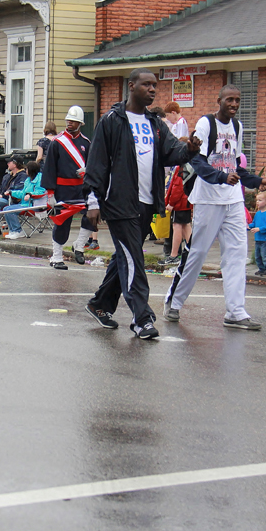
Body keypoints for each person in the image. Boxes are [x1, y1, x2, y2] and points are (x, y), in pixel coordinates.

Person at [83, 68, 200, 340]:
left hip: (147, 203)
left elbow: (172, 151)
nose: (152, 89)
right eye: (146, 84)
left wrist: (190, 150)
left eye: (154, 85)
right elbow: (97, 162)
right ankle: (141, 318)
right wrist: (92, 200)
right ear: (131, 86)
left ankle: (100, 304)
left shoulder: (156, 123)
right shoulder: (112, 120)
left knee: (125, 256)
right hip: (119, 203)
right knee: (134, 259)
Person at [163, 84, 266, 330]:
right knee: (197, 253)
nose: (233, 104)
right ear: (219, 100)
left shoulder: (237, 127)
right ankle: (174, 302)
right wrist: (222, 178)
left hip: (233, 201)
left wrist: (256, 181)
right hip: (208, 199)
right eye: (229, 100)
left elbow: (235, 165)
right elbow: (197, 161)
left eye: (237, 100)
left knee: (236, 256)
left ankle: (235, 312)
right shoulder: (205, 124)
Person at [41, 106, 96, 269]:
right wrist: (50, 194)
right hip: (62, 190)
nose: (69, 124)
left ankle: (79, 245)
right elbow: (49, 168)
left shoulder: (86, 142)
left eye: (73, 121)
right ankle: (56, 256)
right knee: (62, 223)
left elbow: (92, 165)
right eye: (68, 121)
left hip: (82, 189)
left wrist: (87, 170)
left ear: (80, 124)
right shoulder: (57, 143)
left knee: (93, 216)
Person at [2, 159, 45, 239]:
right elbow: (22, 193)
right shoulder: (28, 180)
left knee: (10, 211)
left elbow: (41, 192)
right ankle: (13, 231)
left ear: (31, 170)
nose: (25, 170)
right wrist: (11, 192)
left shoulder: (40, 179)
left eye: (27, 169)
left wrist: (30, 194)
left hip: (35, 205)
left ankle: (18, 231)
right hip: (25, 204)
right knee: (6, 209)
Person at [161, 163, 193, 265]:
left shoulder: (181, 168)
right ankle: (191, 253)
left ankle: (174, 255)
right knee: (186, 226)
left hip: (180, 203)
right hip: (186, 201)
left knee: (177, 226)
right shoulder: (189, 167)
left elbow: (177, 187)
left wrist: (171, 203)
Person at [249, 191, 266, 276]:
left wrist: (259, 229)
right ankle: (261, 269)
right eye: (257, 200)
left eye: (260, 200)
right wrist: (248, 226)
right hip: (258, 238)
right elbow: (254, 223)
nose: (257, 202)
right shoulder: (257, 214)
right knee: (258, 256)